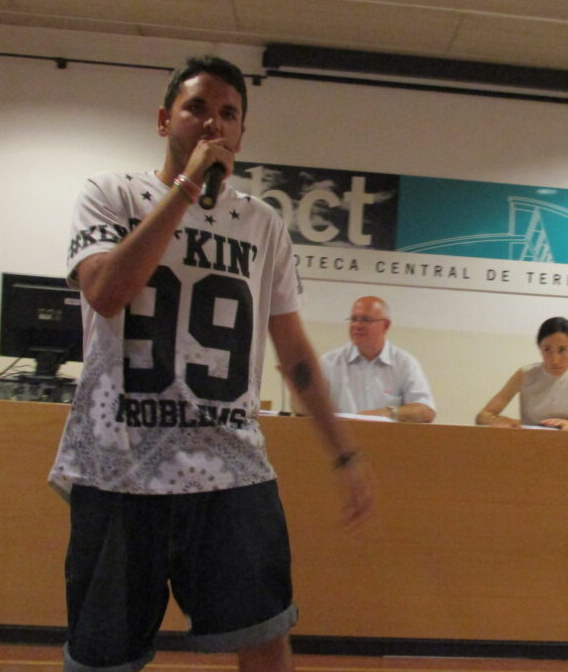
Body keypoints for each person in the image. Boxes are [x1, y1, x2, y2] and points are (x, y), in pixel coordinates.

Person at [49, 55, 373, 672]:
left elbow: (294, 352)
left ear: (241, 134)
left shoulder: (263, 224)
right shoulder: (111, 194)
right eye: (196, 107)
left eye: (228, 113)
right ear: (164, 119)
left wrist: (344, 453)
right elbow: (107, 292)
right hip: (119, 465)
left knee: (267, 639)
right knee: (102, 658)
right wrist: (186, 189)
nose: (212, 123)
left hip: (230, 467)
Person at [475, 316, 568, 429]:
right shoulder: (526, 374)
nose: (555, 360)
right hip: (531, 443)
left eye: (562, 350)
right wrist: (511, 422)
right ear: (539, 348)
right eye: (547, 350)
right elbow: (483, 416)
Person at [316, 296, 436, 422]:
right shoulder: (328, 363)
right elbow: (309, 410)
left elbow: (426, 411)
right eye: (354, 319)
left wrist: (388, 413)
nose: (357, 325)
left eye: (365, 320)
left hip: (387, 435)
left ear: (385, 325)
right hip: (341, 434)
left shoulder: (404, 363)